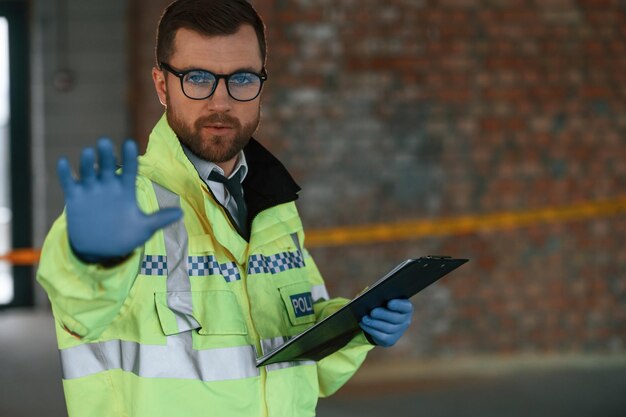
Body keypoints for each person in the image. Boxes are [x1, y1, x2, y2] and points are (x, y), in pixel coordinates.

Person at [37, 1, 414, 416]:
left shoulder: (274, 205)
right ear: (162, 86)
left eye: (241, 78)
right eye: (197, 78)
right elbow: (79, 309)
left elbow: (307, 360)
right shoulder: (132, 203)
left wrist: (355, 325)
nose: (221, 101)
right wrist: (90, 257)